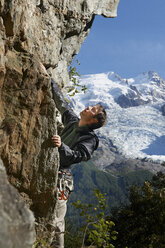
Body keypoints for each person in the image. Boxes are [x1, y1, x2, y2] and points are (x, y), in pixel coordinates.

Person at [50, 78, 107, 247]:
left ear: (94, 120)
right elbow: (61, 102)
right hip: (50, 169)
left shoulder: (90, 138)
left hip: (62, 179)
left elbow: (78, 156)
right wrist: (48, 78)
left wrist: (61, 146)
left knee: (57, 220)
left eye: (93, 109)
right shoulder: (73, 121)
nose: (88, 107)